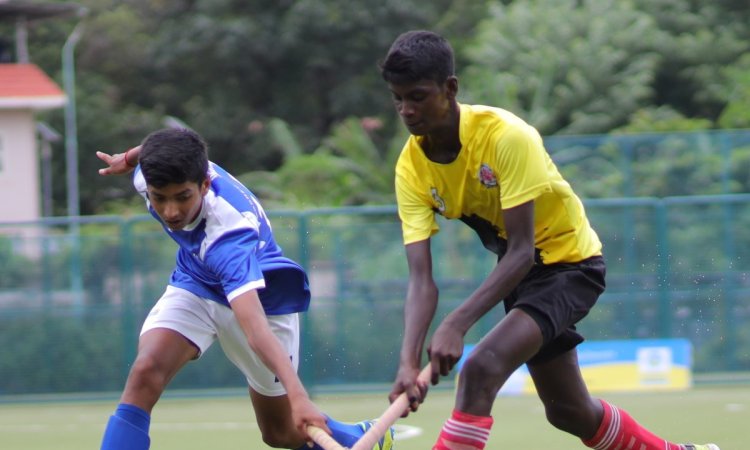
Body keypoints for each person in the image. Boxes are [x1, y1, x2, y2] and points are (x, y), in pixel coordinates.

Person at [378, 30, 719, 450]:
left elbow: (522, 251)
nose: (407, 111)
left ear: (450, 89)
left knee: (481, 369)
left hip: (569, 265)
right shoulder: (410, 168)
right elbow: (420, 279)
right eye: (397, 99)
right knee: (568, 411)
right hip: (522, 276)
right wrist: (408, 362)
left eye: (418, 96)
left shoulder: (506, 136)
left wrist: (455, 324)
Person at [96, 128, 394, 450]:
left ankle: (361, 437)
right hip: (196, 282)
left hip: (262, 302)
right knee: (145, 371)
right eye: (160, 198)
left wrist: (299, 397)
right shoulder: (149, 177)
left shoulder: (228, 237)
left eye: (183, 197)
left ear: (205, 184)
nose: (170, 212)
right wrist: (128, 158)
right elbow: (166, 144)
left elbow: (255, 330)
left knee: (279, 433)